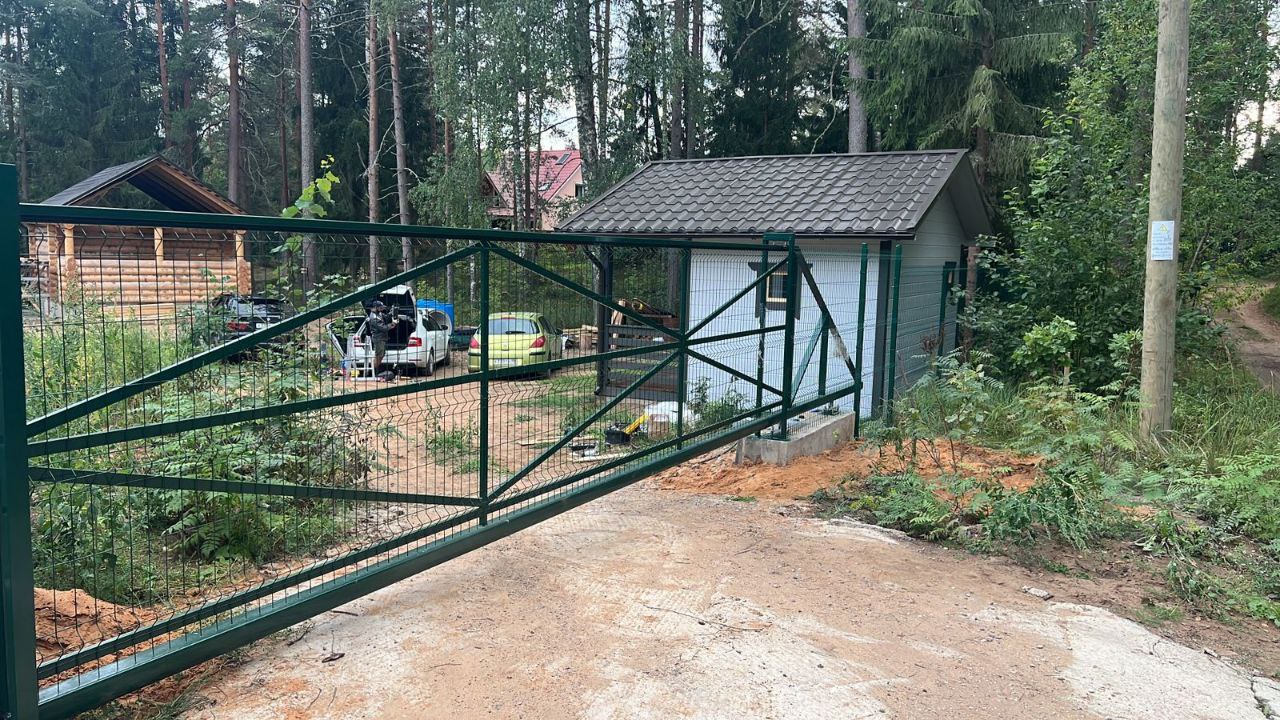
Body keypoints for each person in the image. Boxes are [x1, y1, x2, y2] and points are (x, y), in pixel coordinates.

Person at [365, 301, 400, 376]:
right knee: (378, 356)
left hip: (382, 338)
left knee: (382, 355)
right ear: (376, 307)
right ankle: (372, 373)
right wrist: (393, 324)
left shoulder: (379, 314)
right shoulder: (374, 318)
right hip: (378, 338)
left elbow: (386, 317)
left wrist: (392, 312)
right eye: (381, 307)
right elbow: (383, 328)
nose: (382, 309)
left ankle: (375, 371)